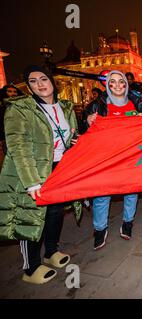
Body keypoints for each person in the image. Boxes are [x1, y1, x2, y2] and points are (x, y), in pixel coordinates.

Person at [0, 65, 80, 284]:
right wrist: (31, 182)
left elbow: (68, 137)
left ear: (52, 82)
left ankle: (51, 251)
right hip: (34, 172)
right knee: (32, 217)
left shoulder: (65, 107)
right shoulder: (20, 108)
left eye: (43, 78)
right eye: (33, 81)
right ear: (28, 86)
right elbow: (18, 147)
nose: (40, 84)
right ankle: (30, 267)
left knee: (55, 213)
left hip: (59, 168)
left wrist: (74, 141)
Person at [85, 70, 142, 250]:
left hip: (129, 158)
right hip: (105, 159)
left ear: (126, 85)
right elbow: (85, 132)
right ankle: (99, 228)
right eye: (113, 82)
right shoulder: (98, 105)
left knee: (131, 192)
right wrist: (87, 120)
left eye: (122, 82)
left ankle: (128, 222)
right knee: (102, 194)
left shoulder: (135, 105)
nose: (118, 85)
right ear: (107, 85)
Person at [1, 85, 24, 157]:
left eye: (15, 91)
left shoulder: (22, 106)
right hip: (8, 139)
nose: (13, 93)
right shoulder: (2, 107)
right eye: (9, 91)